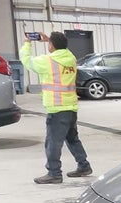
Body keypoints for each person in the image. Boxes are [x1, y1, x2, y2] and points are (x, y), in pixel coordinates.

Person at [20, 31, 92, 184]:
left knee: (53, 141)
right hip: (71, 107)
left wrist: (28, 42)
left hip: (57, 108)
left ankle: (54, 173)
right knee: (72, 138)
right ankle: (84, 166)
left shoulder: (48, 61)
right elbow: (63, 48)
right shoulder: (71, 58)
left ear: (51, 45)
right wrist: (50, 40)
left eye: (49, 43)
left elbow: (26, 60)